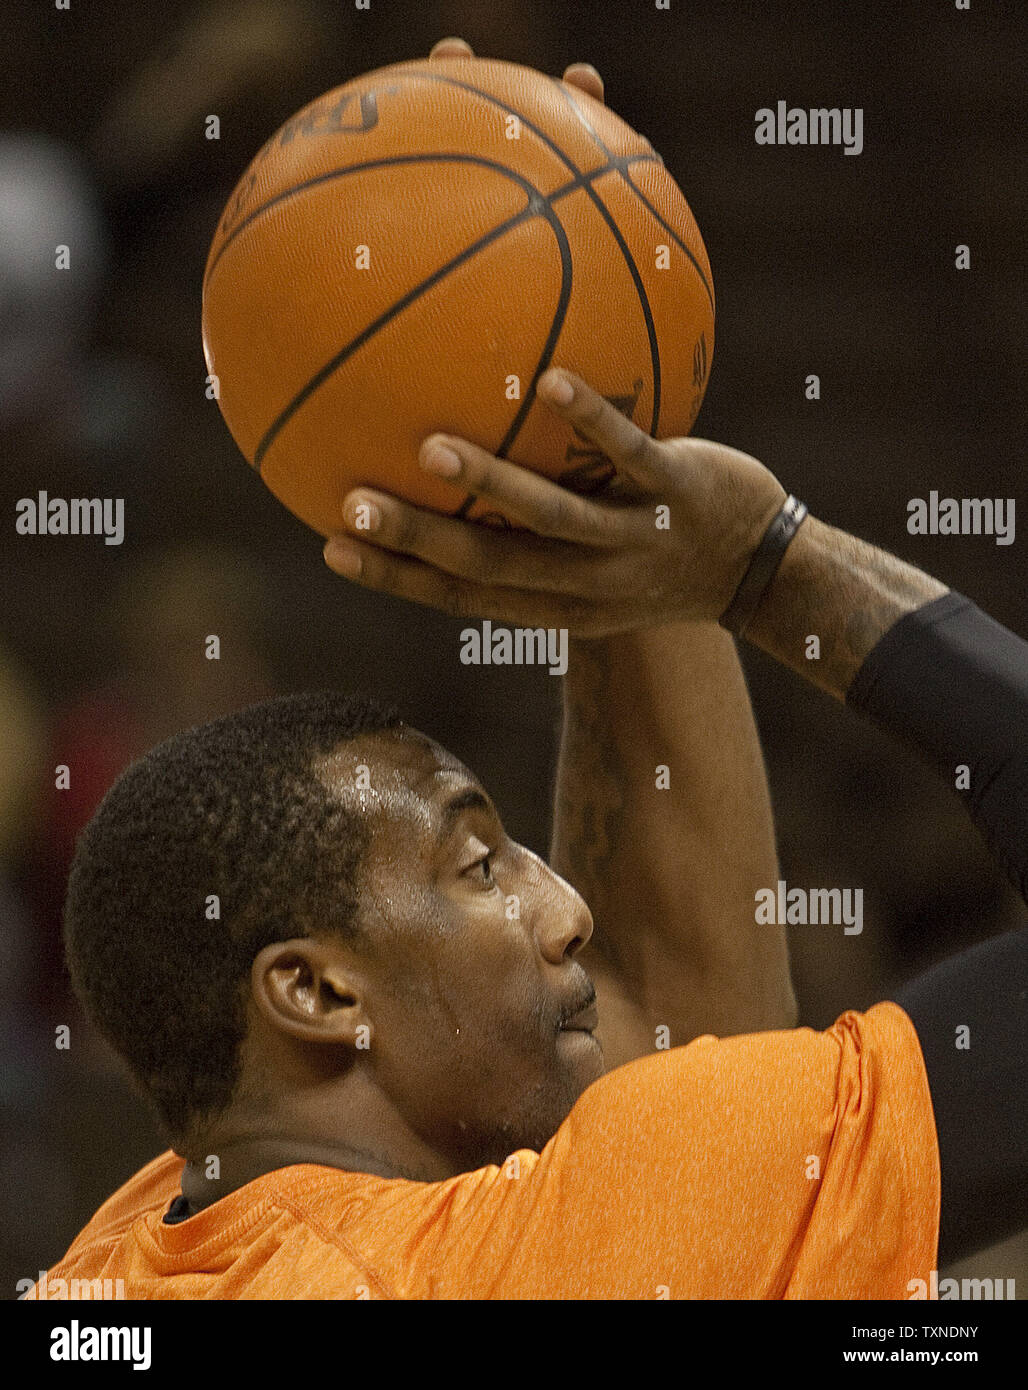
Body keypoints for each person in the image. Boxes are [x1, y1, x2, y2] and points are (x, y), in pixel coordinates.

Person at [33, 42, 1026, 1302]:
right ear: (316, 989)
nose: (566, 908)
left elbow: (673, 1024)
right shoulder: (562, 1249)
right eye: (479, 863)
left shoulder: (122, 1258)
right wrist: (768, 571)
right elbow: (663, 1140)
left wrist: (611, 475)